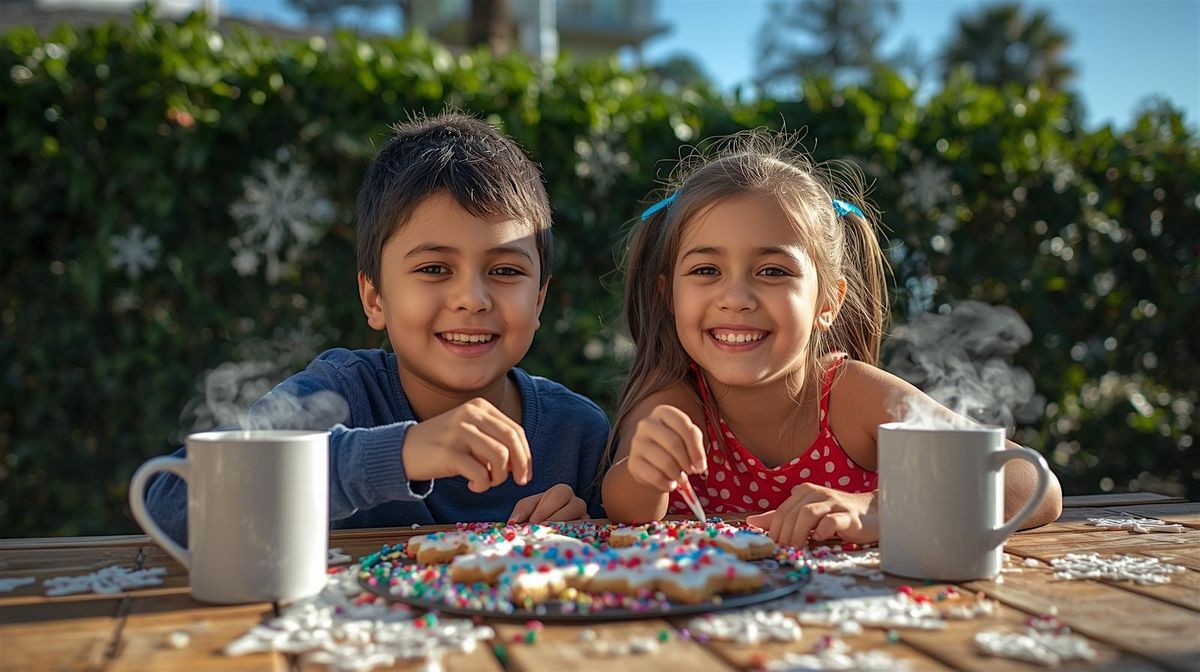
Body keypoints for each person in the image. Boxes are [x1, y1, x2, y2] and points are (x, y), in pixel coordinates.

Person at [144, 112, 609, 545]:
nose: (472, 298)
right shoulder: (337, 398)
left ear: (539, 299)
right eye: (433, 268)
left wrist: (584, 533)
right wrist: (399, 454)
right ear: (374, 298)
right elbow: (171, 502)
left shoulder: (578, 434)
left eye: (506, 271)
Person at [601, 130, 1062, 547]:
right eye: (706, 270)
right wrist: (646, 472)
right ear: (668, 295)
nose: (736, 297)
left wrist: (885, 510)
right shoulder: (675, 405)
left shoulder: (852, 396)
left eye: (773, 271)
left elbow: (1031, 484)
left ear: (828, 301)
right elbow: (627, 508)